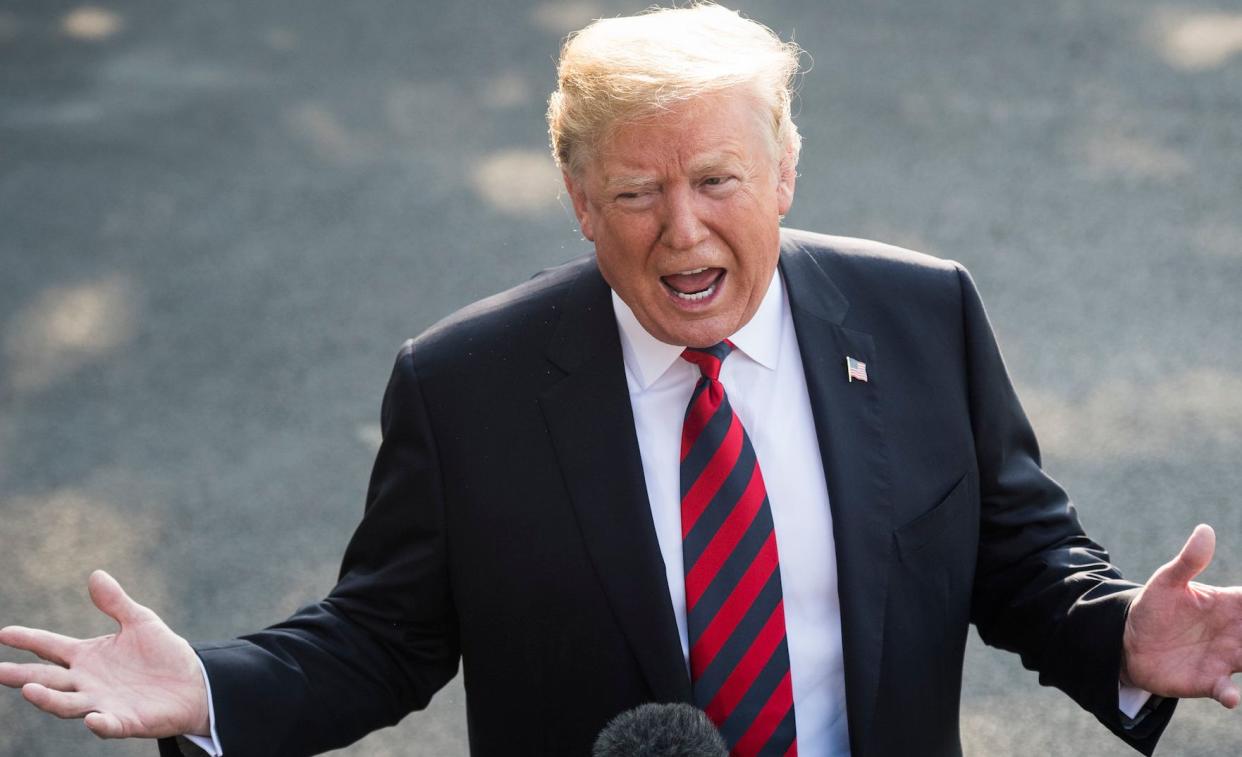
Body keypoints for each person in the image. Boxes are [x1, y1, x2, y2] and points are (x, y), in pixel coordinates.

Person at [2, 4, 1240, 756]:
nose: (684, 231)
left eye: (717, 180)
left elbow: (1020, 562)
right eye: (639, 193)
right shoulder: (467, 387)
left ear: (786, 173)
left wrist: (1125, 632)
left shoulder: (924, 317)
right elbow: (379, 638)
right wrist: (211, 685)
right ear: (582, 203)